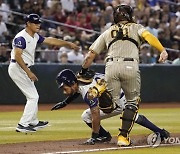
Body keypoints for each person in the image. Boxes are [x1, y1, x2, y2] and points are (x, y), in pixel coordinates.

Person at [77, 5, 168, 146]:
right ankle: (123, 137)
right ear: (130, 16)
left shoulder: (107, 32)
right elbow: (149, 36)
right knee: (132, 103)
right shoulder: (136, 27)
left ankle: (100, 90)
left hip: (111, 67)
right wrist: (162, 50)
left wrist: (82, 72)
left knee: (113, 106)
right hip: (130, 65)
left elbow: (90, 55)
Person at [51, 69, 169, 145]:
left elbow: (96, 114)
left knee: (132, 116)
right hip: (115, 95)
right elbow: (77, 91)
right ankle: (104, 136)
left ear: (72, 83)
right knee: (85, 116)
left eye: (64, 88)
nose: (64, 92)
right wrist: (65, 102)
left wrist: (93, 136)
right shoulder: (81, 79)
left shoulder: (88, 92)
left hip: (122, 97)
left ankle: (161, 132)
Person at [8, 13, 79, 133]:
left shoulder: (34, 36)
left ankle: (33, 122)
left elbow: (50, 40)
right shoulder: (21, 37)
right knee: (33, 97)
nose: (38, 25)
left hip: (23, 68)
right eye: (35, 23)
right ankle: (22, 124)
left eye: (38, 23)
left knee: (33, 96)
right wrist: (28, 72)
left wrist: (67, 44)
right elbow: (17, 56)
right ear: (28, 24)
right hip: (18, 67)